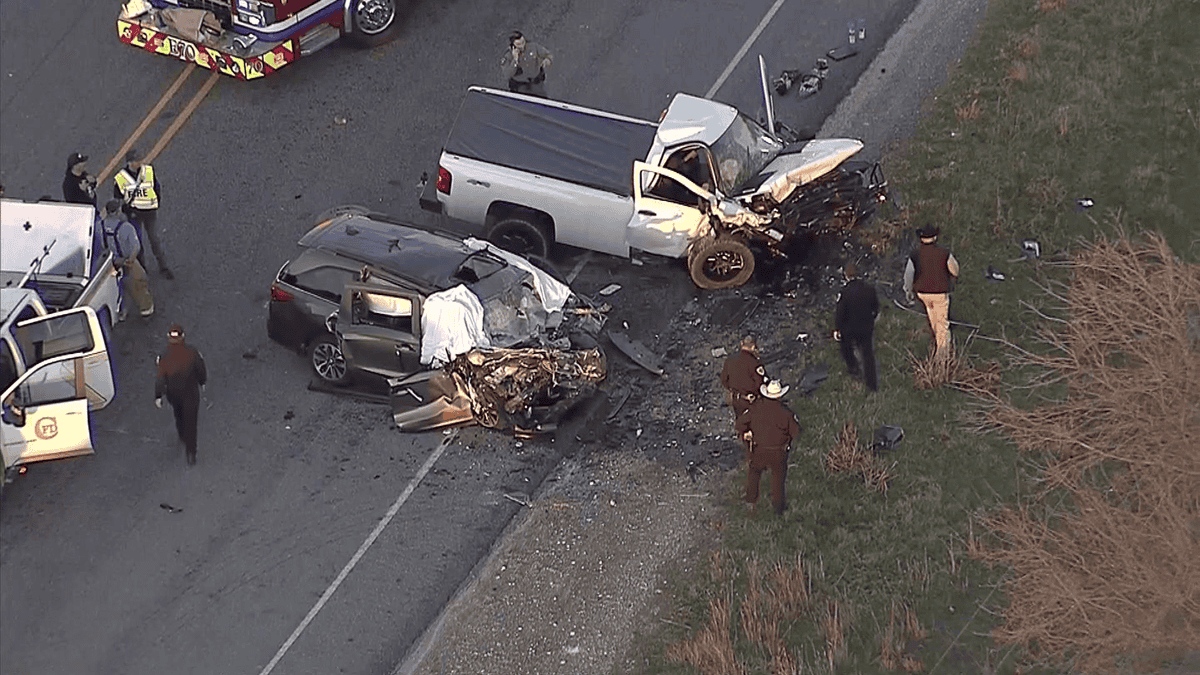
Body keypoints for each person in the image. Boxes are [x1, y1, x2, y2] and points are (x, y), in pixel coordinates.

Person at [736, 379, 801, 515]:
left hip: (759, 450)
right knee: (778, 479)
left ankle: (750, 502)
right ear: (779, 395)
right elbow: (796, 432)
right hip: (778, 452)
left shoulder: (755, 408)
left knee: (754, 473)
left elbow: (740, 423)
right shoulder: (786, 413)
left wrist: (747, 433)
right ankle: (778, 508)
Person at [113, 147, 173, 279]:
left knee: (155, 240)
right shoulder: (121, 178)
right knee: (138, 242)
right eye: (137, 160)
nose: (140, 161)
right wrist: (126, 210)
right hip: (134, 214)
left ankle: (163, 266)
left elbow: (156, 187)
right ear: (130, 162)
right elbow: (118, 198)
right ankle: (142, 269)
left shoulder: (148, 171)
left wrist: (156, 202)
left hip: (149, 212)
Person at [904, 225, 959, 360]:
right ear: (934, 237)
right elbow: (954, 270)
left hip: (923, 293)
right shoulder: (944, 252)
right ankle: (943, 358)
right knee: (942, 324)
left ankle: (938, 346)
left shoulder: (915, 253)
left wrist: (909, 291)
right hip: (939, 292)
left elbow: (908, 275)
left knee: (934, 319)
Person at [155, 324, 207, 466]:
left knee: (178, 414)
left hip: (174, 395)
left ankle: (181, 434)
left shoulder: (164, 355)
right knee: (192, 422)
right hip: (191, 394)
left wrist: (158, 395)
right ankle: (191, 453)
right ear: (183, 336)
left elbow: (160, 377)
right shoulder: (192, 352)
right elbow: (200, 369)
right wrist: (202, 382)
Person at [100, 199, 154, 319]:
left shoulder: (100, 226)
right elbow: (136, 246)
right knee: (139, 282)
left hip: (110, 263)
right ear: (118, 212)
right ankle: (146, 310)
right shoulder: (126, 227)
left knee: (117, 287)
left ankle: (121, 311)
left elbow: (100, 246)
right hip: (128, 261)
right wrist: (131, 261)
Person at [834, 264, 880, 391]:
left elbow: (840, 312)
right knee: (868, 355)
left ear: (846, 276)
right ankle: (872, 385)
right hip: (866, 327)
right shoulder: (870, 289)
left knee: (846, 347)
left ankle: (853, 368)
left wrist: (838, 329)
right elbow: (875, 308)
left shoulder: (845, 292)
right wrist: (872, 319)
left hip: (849, 329)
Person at [720, 335, 767, 428]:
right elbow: (760, 383)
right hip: (752, 400)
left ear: (741, 343)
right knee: (756, 424)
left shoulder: (730, 360)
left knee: (742, 423)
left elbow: (724, 380)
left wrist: (733, 389)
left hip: (737, 399)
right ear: (753, 347)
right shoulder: (754, 363)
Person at [500, 31, 552, 98]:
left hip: (537, 84)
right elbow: (507, 74)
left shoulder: (533, 47)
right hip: (520, 87)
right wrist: (515, 60)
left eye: (523, 42)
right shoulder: (508, 55)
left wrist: (547, 60)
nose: (522, 46)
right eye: (519, 44)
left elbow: (548, 55)